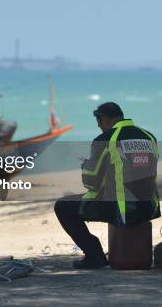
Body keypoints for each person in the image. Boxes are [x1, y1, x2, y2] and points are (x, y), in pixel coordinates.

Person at [54, 102, 160, 269]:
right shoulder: (149, 137)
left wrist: (86, 167)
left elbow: (92, 182)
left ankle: (94, 255)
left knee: (63, 206)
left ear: (104, 119)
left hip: (122, 209)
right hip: (149, 208)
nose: (100, 128)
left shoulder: (106, 139)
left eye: (99, 124)